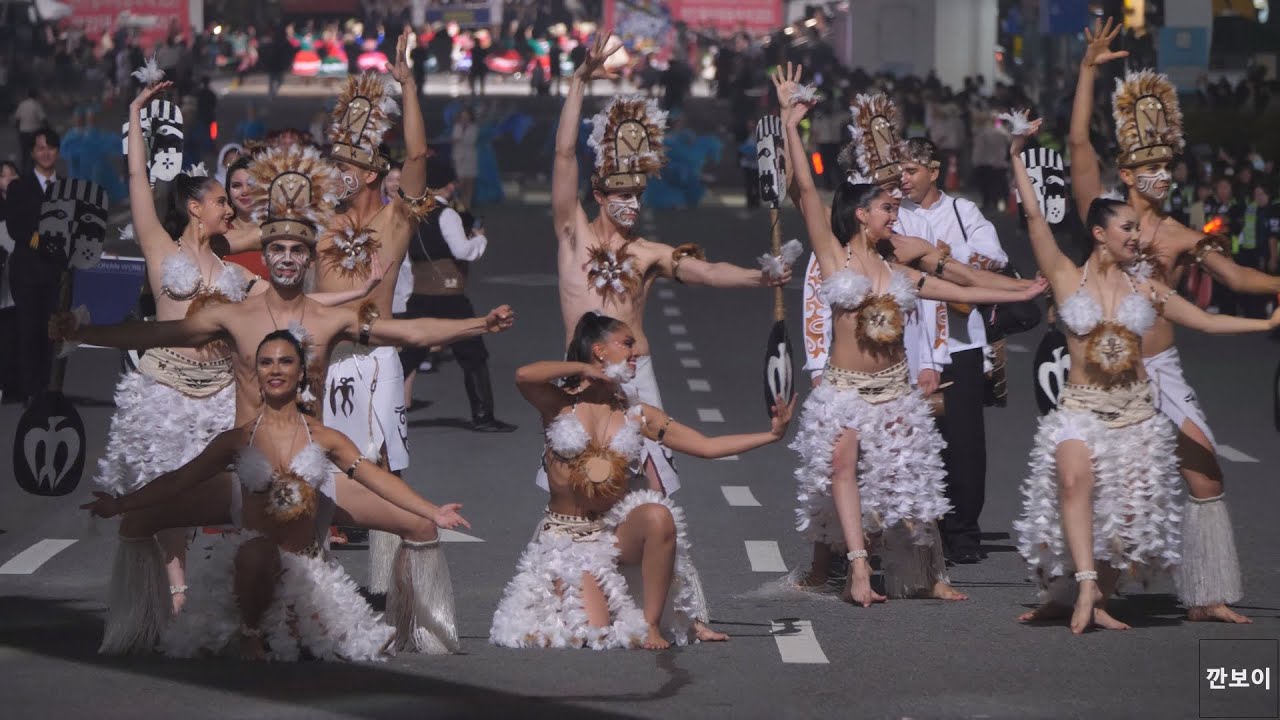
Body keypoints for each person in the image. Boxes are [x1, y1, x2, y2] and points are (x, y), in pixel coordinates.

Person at [52, 143, 516, 656]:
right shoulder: (234, 315)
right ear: (265, 255)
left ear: (309, 257)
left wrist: (478, 324)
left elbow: (407, 332)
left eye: (298, 250)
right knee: (141, 522)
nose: (289, 258)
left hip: (315, 472)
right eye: (278, 249)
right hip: (245, 478)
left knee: (421, 525)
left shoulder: (329, 319)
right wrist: (83, 332)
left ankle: (421, 629)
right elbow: (155, 333)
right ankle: (141, 628)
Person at [547, 32, 795, 640]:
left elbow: (705, 272)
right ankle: (570, 603)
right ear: (598, 195)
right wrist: (578, 83)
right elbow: (563, 156)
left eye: (638, 194)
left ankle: (686, 612)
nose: (631, 203)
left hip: (639, 380)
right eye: (620, 194)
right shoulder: (571, 235)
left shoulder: (650, 253)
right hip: (580, 380)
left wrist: (760, 276)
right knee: (577, 488)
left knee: (656, 489)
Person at [775, 64, 1046, 606]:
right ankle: (855, 570)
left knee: (913, 478)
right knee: (841, 470)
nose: (896, 212)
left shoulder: (900, 265)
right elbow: (804, 188)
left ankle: (929, 573)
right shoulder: (832, 256)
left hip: (895, 390)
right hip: (844, 389)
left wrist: (1022, 290)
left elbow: (960, 284)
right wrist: (789, 122)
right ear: (860, 214)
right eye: (886, 207)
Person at [1008, 117, 1280, 634]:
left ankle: (1094, 597)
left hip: (1135, 414)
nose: (1138, 237)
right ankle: (1083, 588)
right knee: (1074, 482)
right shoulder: (1065, 276)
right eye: (1127, 229)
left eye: (1137, 228)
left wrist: (1266, 323)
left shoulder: (1148, 289)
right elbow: (1036, 217)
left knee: (1128, 517)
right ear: (1099, 234)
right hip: (1081, 410)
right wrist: (1017, 154)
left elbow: (1206, 321)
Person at [1068, 19, 1280, 624]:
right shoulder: (1104, 214)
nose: (1163, 175)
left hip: (1161, 369)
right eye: (1151, 165)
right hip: (1107, 374)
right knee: (1108, 483)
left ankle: (1206, 596)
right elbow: (1079, 144)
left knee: (1206, 475)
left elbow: (1237, 278)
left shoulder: (1180, 234)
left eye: (1168, 164)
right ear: (1127, 173)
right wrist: (1087, 72)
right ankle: (1086, 590)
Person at [82, 330, 470, 661]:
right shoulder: (238, 438)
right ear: (257, 373)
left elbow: (376, 479)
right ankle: (249, 632)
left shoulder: (324, 436)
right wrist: (121, 504)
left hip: (305, 568)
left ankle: (388, 627)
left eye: (285, 362)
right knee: (257, 552)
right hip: (250, 564)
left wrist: (431, 511)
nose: (276, 370)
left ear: (301, 372)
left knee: (343, 639)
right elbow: (180, 480)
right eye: (266, 363)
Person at [491, 313, 794, 650]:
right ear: (599, 351)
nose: (636, 353)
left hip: (612, 533)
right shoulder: (560, 403)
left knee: (658, 515)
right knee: (593, 632)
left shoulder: (636, 413)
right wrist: (583, 369)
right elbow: (524, 376)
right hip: (566, 538)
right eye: (627, 344)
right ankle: (584, 593)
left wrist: (770, 435)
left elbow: (705, 446)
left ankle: (651, 624)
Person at [317, 34, 433, 593]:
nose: (332, 172)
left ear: (367, 173)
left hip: (376, 358)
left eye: (342, 164)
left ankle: (390, 587)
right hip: (320, 359)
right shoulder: (319, 222)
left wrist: (406, 85)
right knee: (314, 468)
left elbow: (417, 158)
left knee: (385, 466)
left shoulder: (394, 221)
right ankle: (312, 586)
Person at [399, 162, 514, 432]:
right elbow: (462, 251)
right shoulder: (447, 214)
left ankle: (375, 407)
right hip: (449, 295)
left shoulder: (411, 214)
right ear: (448, 185)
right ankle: (483, 415)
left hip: (419, 293)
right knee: (472, 353)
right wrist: (480, 239)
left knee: (409, 355)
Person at [0, 128, 62, 404]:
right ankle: (31, 390)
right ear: (33, 153)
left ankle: (49, 387)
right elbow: (16, 229)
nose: (46, 153)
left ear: (57, 151)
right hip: (27, 271)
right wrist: (45, 242)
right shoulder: (19, 187)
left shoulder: (68, 188)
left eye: (51, 147)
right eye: (40, 148)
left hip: (56, 272)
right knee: (29, 330)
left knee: (53, 332)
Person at [450, 107, 478, 209]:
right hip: (458, 157)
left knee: (469, 183)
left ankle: (467, 206)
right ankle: (456, 204)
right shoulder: (457, 127)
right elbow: (454, 140)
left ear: (470, 117)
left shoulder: (474, 127)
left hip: (470, 157)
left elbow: (470, 140)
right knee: (460, 182)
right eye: (462, 116)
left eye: (466, 116)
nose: (464, 118)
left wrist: (460, 139)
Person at [13, 89, 47, 175]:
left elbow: (17, 119)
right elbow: (43, 119)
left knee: (24, 153)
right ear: (36, 96)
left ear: (28, 95)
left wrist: (18, 130)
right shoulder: (37, 105)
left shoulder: (22, 104)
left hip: (23, 133)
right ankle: (31, 172)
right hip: (34, 133)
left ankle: (23, 172)